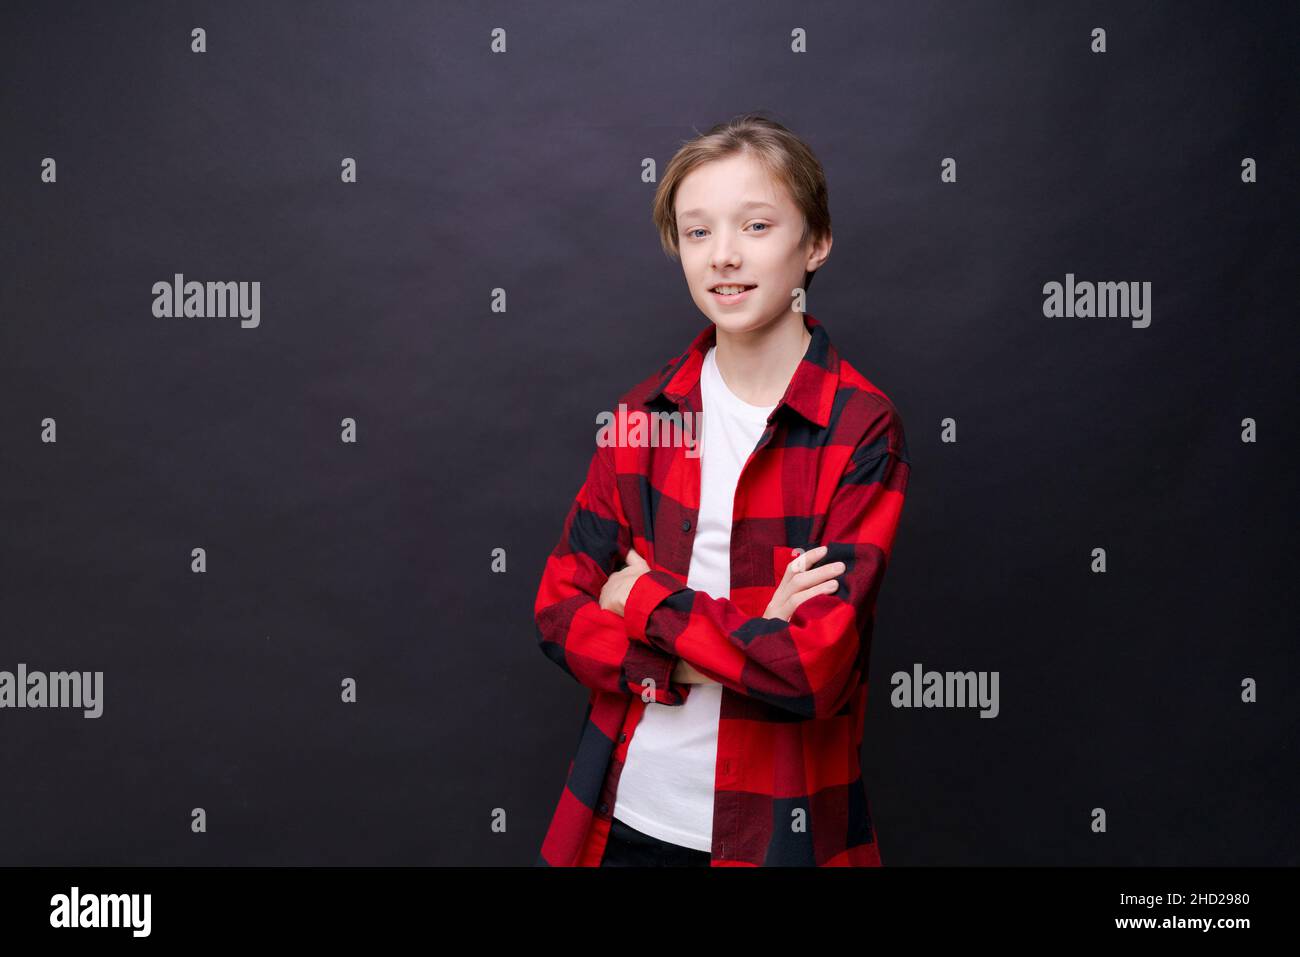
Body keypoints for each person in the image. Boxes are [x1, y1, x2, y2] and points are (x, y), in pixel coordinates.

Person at [534, 112, 911, 867]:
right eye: (698, 232)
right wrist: (733, 644)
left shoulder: (861, 430)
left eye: (758, 225)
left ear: (816, 242)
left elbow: (810, 671)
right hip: (623, 818)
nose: (725, 257)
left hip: (778, 833)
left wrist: (640, 600)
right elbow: (557, 610)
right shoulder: (644, 416)